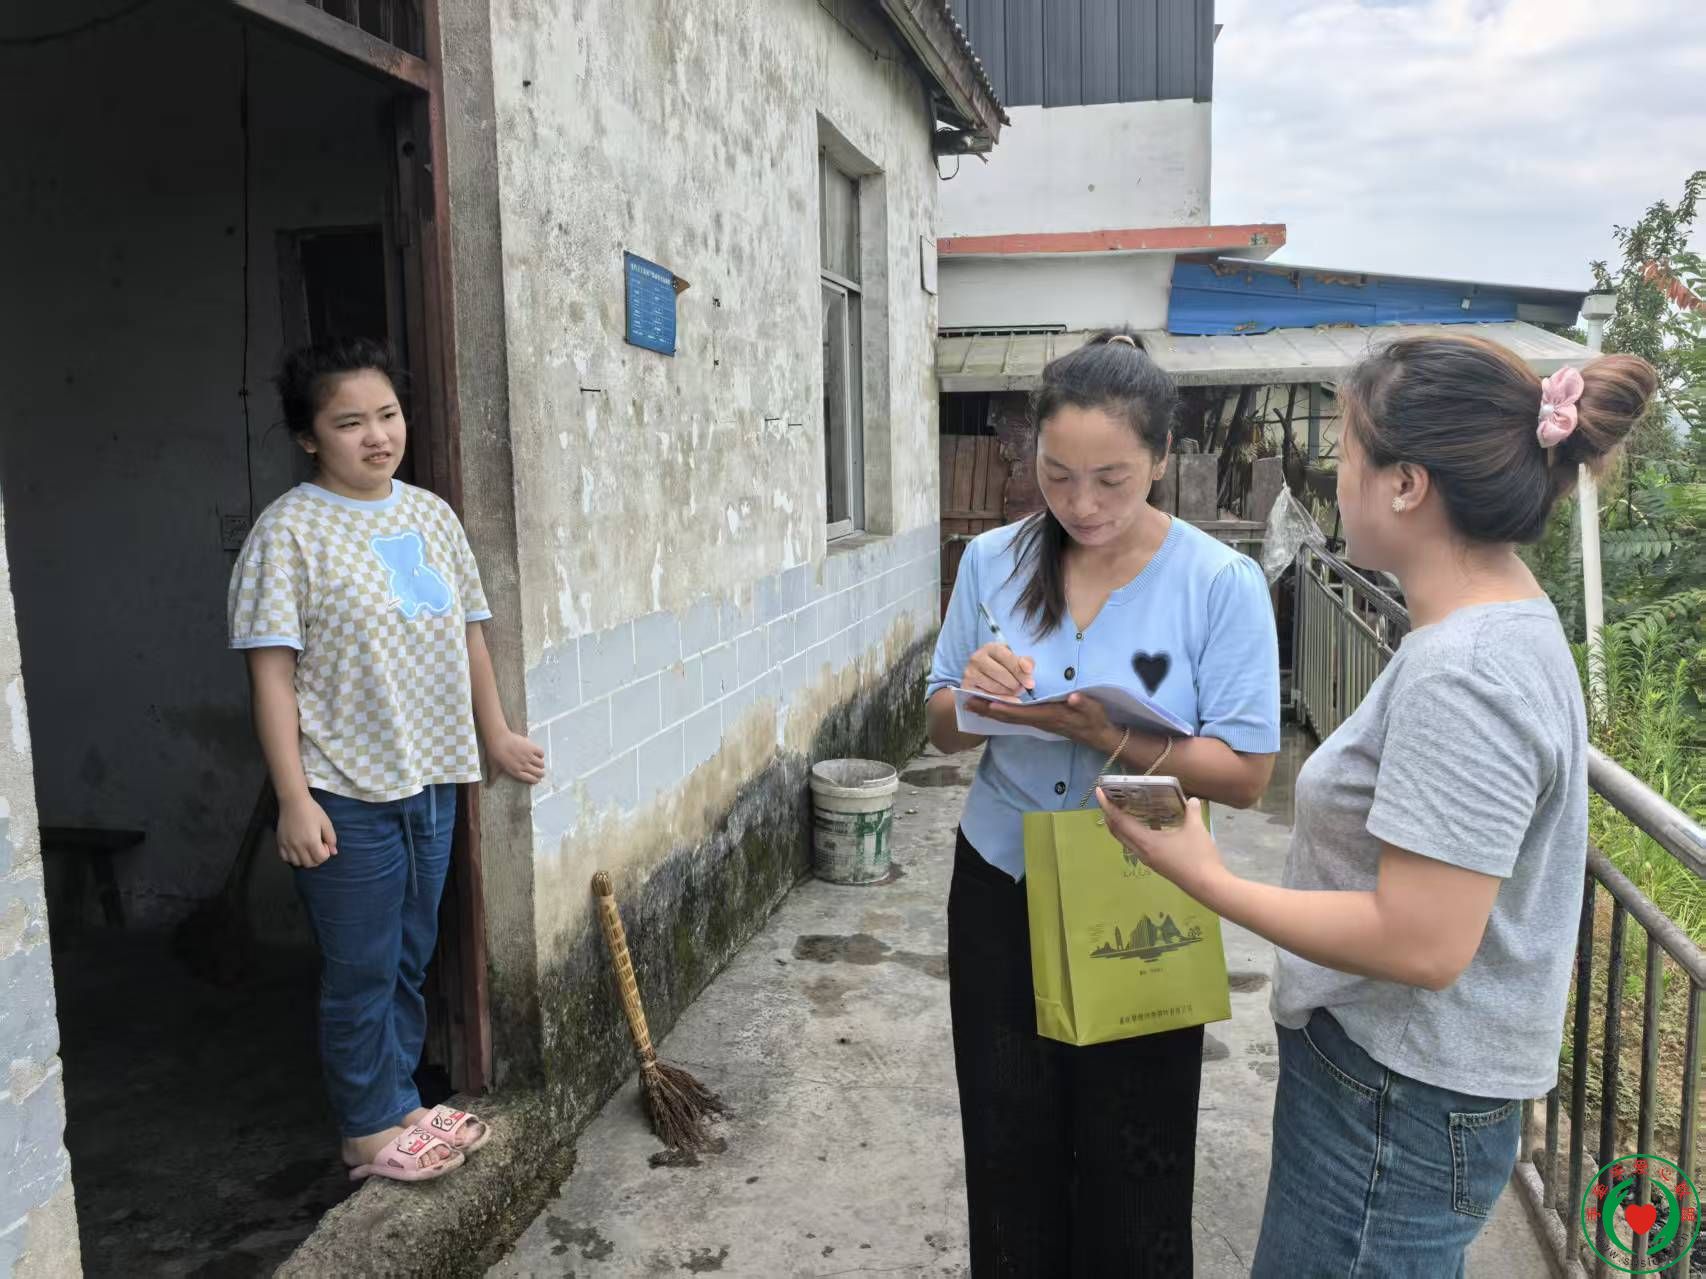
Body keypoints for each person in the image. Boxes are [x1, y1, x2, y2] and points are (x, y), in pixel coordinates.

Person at [1096, 335, 1658, 1276]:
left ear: (1406, 486)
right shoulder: (1493, 627)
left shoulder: (1465, 674)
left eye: (1347, 457)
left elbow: (1421, 941)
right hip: (1407, 1085)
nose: (1335, 483)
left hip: (1395, 1099)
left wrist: (1204, 877)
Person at [926, 330, 1282, 1275]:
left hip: (1144, 885)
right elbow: (939, 724)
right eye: (1057, 475)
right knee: (1006, 1141)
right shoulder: (992, 562)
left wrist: (1107, 734)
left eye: (1111, 480)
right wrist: (973, 691)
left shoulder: (1219, 583)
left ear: (1161, 459)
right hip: (1000, 881)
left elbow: (1247, 773)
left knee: (1138, 1150)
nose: (1081, 504)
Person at [228, 338, 546, 1183]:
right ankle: (365, 1130)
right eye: (349, 422)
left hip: (431, 777)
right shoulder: (287, 532)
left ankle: (400, 1102)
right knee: (361, 965)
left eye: (388, 415)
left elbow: (468, 635)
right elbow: (271, 676)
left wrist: (495, 734)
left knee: (408, 953)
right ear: (309, 436)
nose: (377, 435)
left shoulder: (431, 515)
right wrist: (293, 797)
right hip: (342, 786)